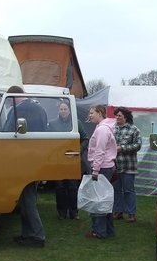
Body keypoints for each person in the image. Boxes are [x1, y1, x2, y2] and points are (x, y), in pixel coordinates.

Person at [5, 86, 48, 248]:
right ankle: (27, 234)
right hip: (36, 159)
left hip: (22, 160)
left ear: (14, 97)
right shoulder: (40, 108)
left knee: (27, 199)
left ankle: (37, 236)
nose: (9, 104)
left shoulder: (18, 110)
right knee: (26, 198)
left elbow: (6, 131)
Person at [48, 100, 89, 220]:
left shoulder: (76, 123)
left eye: (65, 109)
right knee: (60, 187)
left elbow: (85, 139)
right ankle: (61, 212)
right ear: (58, 110)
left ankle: (74, 212)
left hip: (73, 160)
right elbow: (49, 141)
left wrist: (79, 151)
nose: (63, 111)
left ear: (69, 110)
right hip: (58, 160)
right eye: (61, 109)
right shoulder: (52, 124)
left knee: (73, 187)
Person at [85, 104, 117, 239]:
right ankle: (108, 230)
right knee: (104, 199)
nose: (90, 115)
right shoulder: (103, 127)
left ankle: (99, 231)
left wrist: (95, 170)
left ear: (100, 113)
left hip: (102, 168)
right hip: (106, 166)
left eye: (92, 113)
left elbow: (100, 151)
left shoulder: (102, 129)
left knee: (98, 201)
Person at [112, 107, 141, 223]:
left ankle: (131, 213)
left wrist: (122, 148)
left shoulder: (134, 129)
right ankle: (118, 211)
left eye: (119, 115)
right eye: (116, 115)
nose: (117, 117)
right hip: (115, 165)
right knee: (116, 190)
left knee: (129, 190)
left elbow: (138, 145)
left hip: (129, 166)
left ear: (126, 117)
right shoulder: (112, 129)